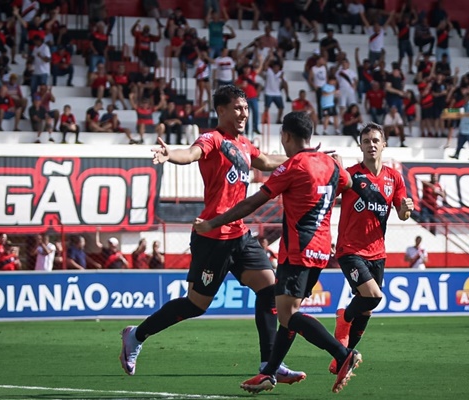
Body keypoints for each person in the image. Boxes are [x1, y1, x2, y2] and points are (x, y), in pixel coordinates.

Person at [118, 85, 304, 383]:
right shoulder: (212, 139)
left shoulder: (244, 144)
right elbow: (190, 153)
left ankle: (269, 364)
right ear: (221, 111)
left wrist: (301, 158)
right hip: (212, 236)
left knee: (270, 288)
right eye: (238, 108)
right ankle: (136, 335)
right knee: (195, 305)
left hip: (240, 234)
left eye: (245, 107)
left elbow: (268, 162)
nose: (244, 112)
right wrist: (170, 154)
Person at [193, 111, 360, 394]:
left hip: (297, 250)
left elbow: (251, 204)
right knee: (287, 312)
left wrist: (213, 222)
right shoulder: (330, 165)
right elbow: (349, 183)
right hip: (321, 250)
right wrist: (338, 167)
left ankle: (343, 354)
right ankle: (269, 371)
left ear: (286, 136)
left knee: (287, 316)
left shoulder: (293, 167)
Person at [332, 122, 414, 375]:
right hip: (350, 250)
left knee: (367, 307)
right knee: (374, 296)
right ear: (360, 146)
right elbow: (328, 193)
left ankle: (341, 360)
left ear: (384, 144)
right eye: (366, 141)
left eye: (376, 140)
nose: (371, 145)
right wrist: (333, 170)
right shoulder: (350, 175)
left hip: (378, 252)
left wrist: (406, 207)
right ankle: (343, 318)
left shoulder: (394, 178)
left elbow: (402, 214)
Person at [449, 92, 469, 160]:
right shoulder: (465, 105)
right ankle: (456, 154)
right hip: (464, 128)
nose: (464, 99)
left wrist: (462, 114)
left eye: (465, 97)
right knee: (460, 143)